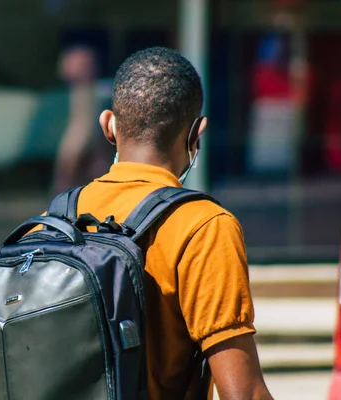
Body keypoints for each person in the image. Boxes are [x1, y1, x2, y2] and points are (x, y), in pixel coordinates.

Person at [73, 47, 274, 399]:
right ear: (197, 133)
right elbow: (244, 393)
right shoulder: (204, 227)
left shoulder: (58, 219)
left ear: (109, 125)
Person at [51, 45, 113, 194]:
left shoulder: (102, 92)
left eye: (85, 64)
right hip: (78, 145)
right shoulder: (64, 98)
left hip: (93, 145)